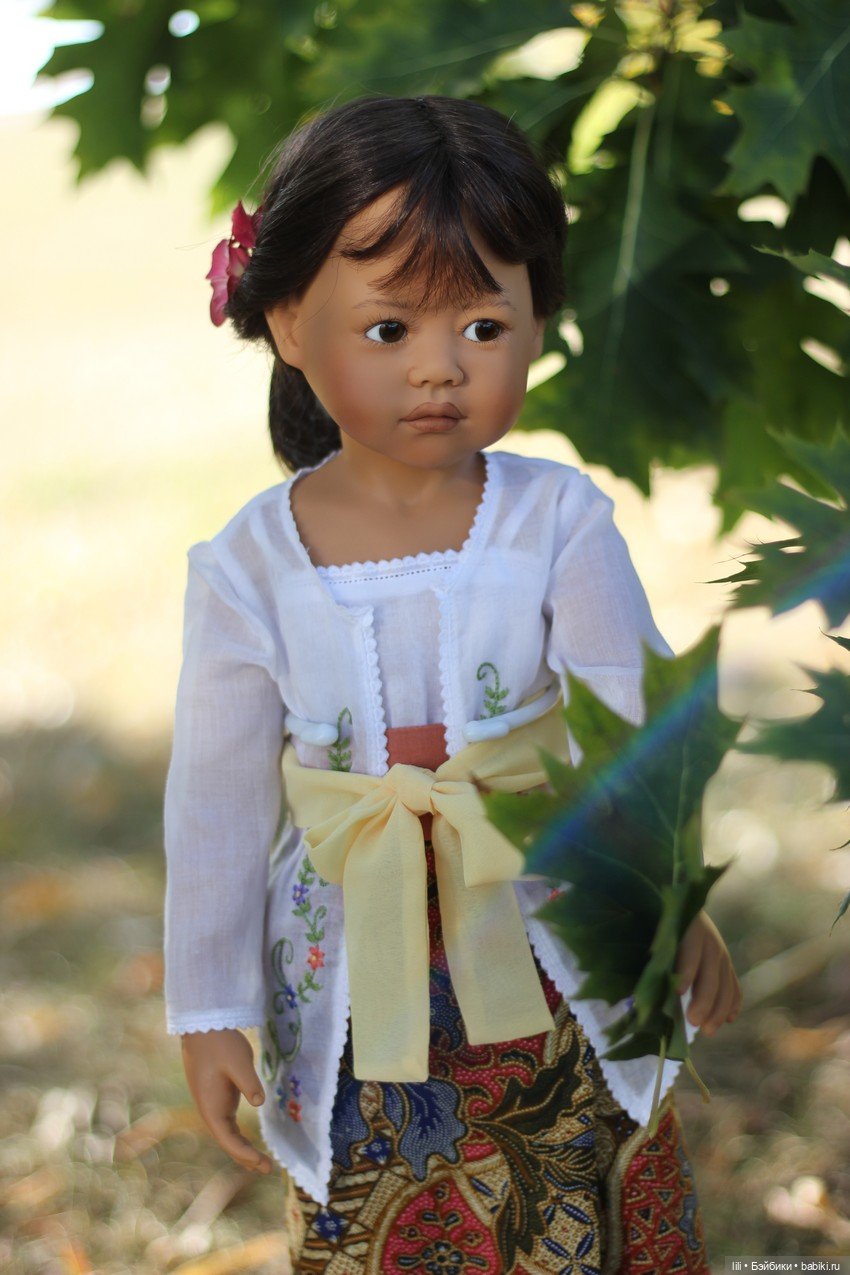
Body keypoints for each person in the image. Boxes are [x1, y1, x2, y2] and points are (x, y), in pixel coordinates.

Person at [163, 93, 742, 1273]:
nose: (439, 372)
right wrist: (207, 1006)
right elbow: (216, 804)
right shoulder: (248, 569)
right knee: (383, 1206)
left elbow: (629, 722)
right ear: (285, 321)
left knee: (584, 1169)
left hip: (549, 944)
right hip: (352, 979)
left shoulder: (555, 523)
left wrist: (667, 894)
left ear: (538, 323)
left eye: (483, 326)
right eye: (389, 331)